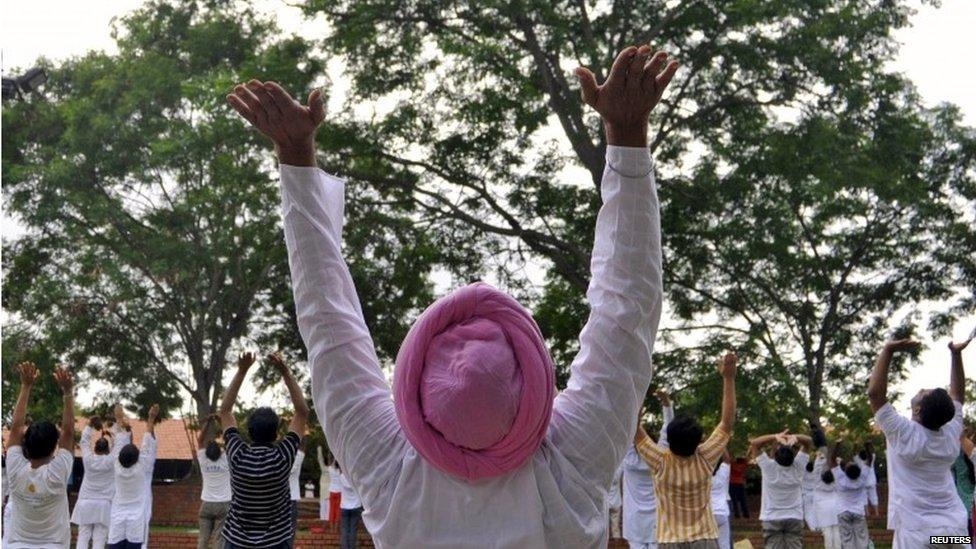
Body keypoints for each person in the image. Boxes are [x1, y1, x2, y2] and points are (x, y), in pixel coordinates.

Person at [227, 43, 677, 548]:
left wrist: (295, 159)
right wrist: (627, 137)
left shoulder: (389, 466)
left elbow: (327, 320)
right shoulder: (570, 461)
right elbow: (627, 311)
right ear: (531, 385)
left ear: (416, 381)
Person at [867, 337, 969, 548]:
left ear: (917, 410)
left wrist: (887, 350)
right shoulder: (950, 434)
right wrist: (956, 355)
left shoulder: (904, 434)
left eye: (925, 393)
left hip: (918, 533)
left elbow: (875, 394)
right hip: (956, 530)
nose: (922, 389)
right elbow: (958, 394)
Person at [634, 351, 737, 548]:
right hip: (705, 538)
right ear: (698, 441)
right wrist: (729, 378)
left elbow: (635, 428)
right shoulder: (705, 457)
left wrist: (644, 380)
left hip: (670, 540)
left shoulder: (661, 461)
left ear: (669, 441)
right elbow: (726, 423)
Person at [219, 352, 308, 549]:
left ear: (248, 432)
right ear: (277, 434)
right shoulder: (282, 457)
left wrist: (242, 371)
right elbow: (302, 411)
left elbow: (225, 411)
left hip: (237, 543)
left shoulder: (237, 455)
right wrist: (285, 372)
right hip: (275, 543)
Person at [4, 362, 75, 548]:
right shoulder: (57, 473)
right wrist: (68, 392)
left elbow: (15, 428)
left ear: (24, 443)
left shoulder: (15, 468)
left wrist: (25, 386)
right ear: (55, 447)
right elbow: (68, 432)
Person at [622, 391, 674, 549]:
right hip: (657, 524)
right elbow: (667, 431)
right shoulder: (660, 459)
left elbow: (631, 432)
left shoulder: (628, 461)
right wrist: (667, 404)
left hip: (634, 524)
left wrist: (638, 403)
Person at [108, 403, 159, 549]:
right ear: (138, 457)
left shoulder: (117, 465)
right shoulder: (143, 466)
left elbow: (119, 440)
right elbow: (148, 440)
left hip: (117, 518)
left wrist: (119, 418)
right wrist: (151, 417)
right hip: (137, 519)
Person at [73, 416, 118, 549]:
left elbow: (84, 442)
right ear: (108, 449)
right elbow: (119, 446)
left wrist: (90, 425)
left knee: (83, 535)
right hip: (104, 504)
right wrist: (113, 433)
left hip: (86, 501)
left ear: (96, 448)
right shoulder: (111, 461)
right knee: (100, 537)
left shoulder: (88, 460)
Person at [197, 415, 231, 549]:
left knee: (203, 539)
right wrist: (220, 421)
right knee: (219, 539)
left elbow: (200, 440)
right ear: (220, 452)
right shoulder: (225, 460)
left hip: (206, 503)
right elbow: (229, 440)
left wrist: (207, 422)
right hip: (223, 504)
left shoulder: (203, 460)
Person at [829, 441, 870, 549]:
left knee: (846, 540)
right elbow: (869, 461)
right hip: (858, 512)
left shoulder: (840, 478)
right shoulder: (862, 478)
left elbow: (832, 460)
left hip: (843, 512)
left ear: (845, 471)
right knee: (861, 539)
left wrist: (837, 445)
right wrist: (867, 447)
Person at [813, 453, 842, 549]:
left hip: (824, 510)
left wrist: (819, 459)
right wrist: (837, 462)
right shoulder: (835, 484)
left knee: (827, 532)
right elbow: (838, 473)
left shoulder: (818, 484)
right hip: (836, 508)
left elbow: (816, 472)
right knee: (837, 532)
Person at [711, 451, 733, 549]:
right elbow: (727, 460)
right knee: (724, 544)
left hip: (707, 514)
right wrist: (720, 444)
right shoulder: (723, 474)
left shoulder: (702, 477)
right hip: (722, 512)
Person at [338, 467, 363, 549]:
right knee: (353, 530)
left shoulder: (341, 476)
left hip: (344, 506)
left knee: (345, 529)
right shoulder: (356, 477)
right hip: (356, 506)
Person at [288, 438, 306, 546]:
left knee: (285, 531)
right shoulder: (295, 457)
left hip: (285, 499)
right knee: (289, 530)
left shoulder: (297, 455)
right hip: (288, 499)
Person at [315, 445, 338, 529]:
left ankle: (329, 526)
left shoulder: (332, 470)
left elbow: (333, 460)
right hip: (323, 493)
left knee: (328, 511)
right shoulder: (324, 469)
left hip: (329, 493)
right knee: (323, 511)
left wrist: (331, 450)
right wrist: (319, 449)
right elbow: (320, 459)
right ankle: (324, 526)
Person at [853, 443, 879, 517]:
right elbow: (872, 452)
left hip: (863, 483)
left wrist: (856, 444)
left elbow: (854, 452)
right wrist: (868, 445)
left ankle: (867, 514)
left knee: (864, 499)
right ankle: (877, 513)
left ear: (860, 456)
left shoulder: (858, 460)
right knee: (874, 497)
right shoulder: (871, 459)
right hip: (871, 482)